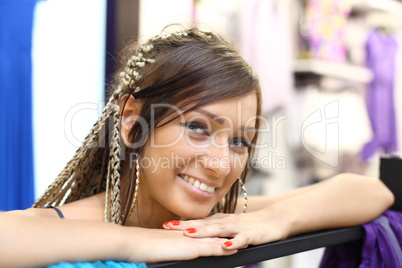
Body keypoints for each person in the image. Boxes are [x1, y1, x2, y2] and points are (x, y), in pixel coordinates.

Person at [0, 26, 394, 268]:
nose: (222, 164)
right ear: (133, 122)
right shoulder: (56, 227)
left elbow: (370, 191)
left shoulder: (213, 222)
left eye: (240, 140)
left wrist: (274, 220)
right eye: (198, 128)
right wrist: (140, 243)